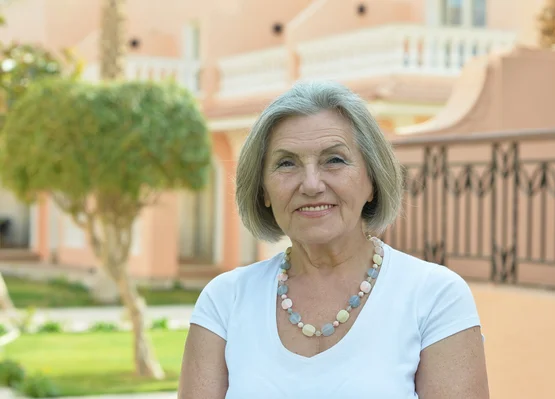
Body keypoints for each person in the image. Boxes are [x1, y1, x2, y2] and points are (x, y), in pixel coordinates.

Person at [178, 81, 489, 398]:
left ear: (372, 180)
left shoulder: (435, 297)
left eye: (334, 160)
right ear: (263, 191)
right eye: (287, 163)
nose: (311, 184)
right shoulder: (224, 301)